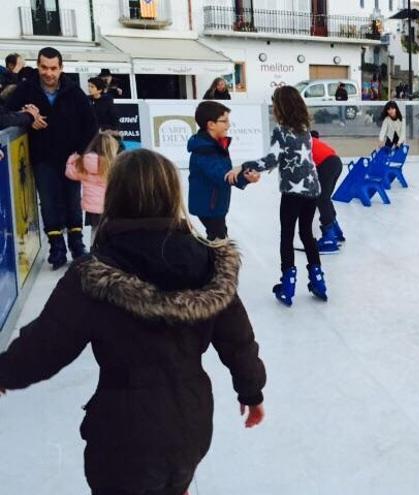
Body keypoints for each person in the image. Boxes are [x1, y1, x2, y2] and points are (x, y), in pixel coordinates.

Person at [0, 148, 267, 494]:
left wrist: (6, 370)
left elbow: (47, 344)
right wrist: (252, 390)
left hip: (123, 433)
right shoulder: (208, 263)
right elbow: (238, 340)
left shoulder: (94, 273)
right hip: (191, 421)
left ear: (115, 196)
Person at [6, 47, 98, 269]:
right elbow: (6, 114)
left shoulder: (74, 92)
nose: (49, 73)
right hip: (42, 158)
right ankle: (57, 248)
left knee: (73, 203)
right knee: (48, 204)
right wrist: (26, 119)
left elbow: (91, 126)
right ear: (37, 66)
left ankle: (77, 245)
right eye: (44, 67)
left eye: (53, 68)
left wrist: (82, 154)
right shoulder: (25, 90)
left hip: (71, 160)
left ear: (61, 68)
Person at [241, 86, 327, 306]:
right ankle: (318, 280)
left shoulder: (281, 130)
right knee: (307, 233)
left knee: (287, 235)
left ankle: (287, 285)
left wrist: (247, 166)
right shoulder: (305, 128)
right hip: (312, 189)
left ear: (280, 107)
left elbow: (272, 159)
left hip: (293, 191)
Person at [187, 101, 260, 241]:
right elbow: (221, 174)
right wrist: (245, 178)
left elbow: (225, 172)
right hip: (209, 206)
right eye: (224, 121)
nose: (228, 125)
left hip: (215, 204)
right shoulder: (205, 151)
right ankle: (217, 262)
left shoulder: (215, 145)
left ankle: (216, 260)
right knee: (218, 240)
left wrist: (245, 175)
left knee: (218, 236)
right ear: (211, 125)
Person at [65, 131, 120, 240]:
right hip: (109, 206)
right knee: (110, 231)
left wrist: (72, 159)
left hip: (92, 208)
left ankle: (94, 251)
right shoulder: (113, 164)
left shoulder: (84, 162)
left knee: (95, 231)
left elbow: (69, 173)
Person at [310, 130, 346, 255]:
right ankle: (336, 232)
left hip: (327, 164)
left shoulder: (302, 144)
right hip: (336, 163)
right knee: (325, 198)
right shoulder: (314, 141)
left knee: (322, 199)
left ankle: (329, 239)